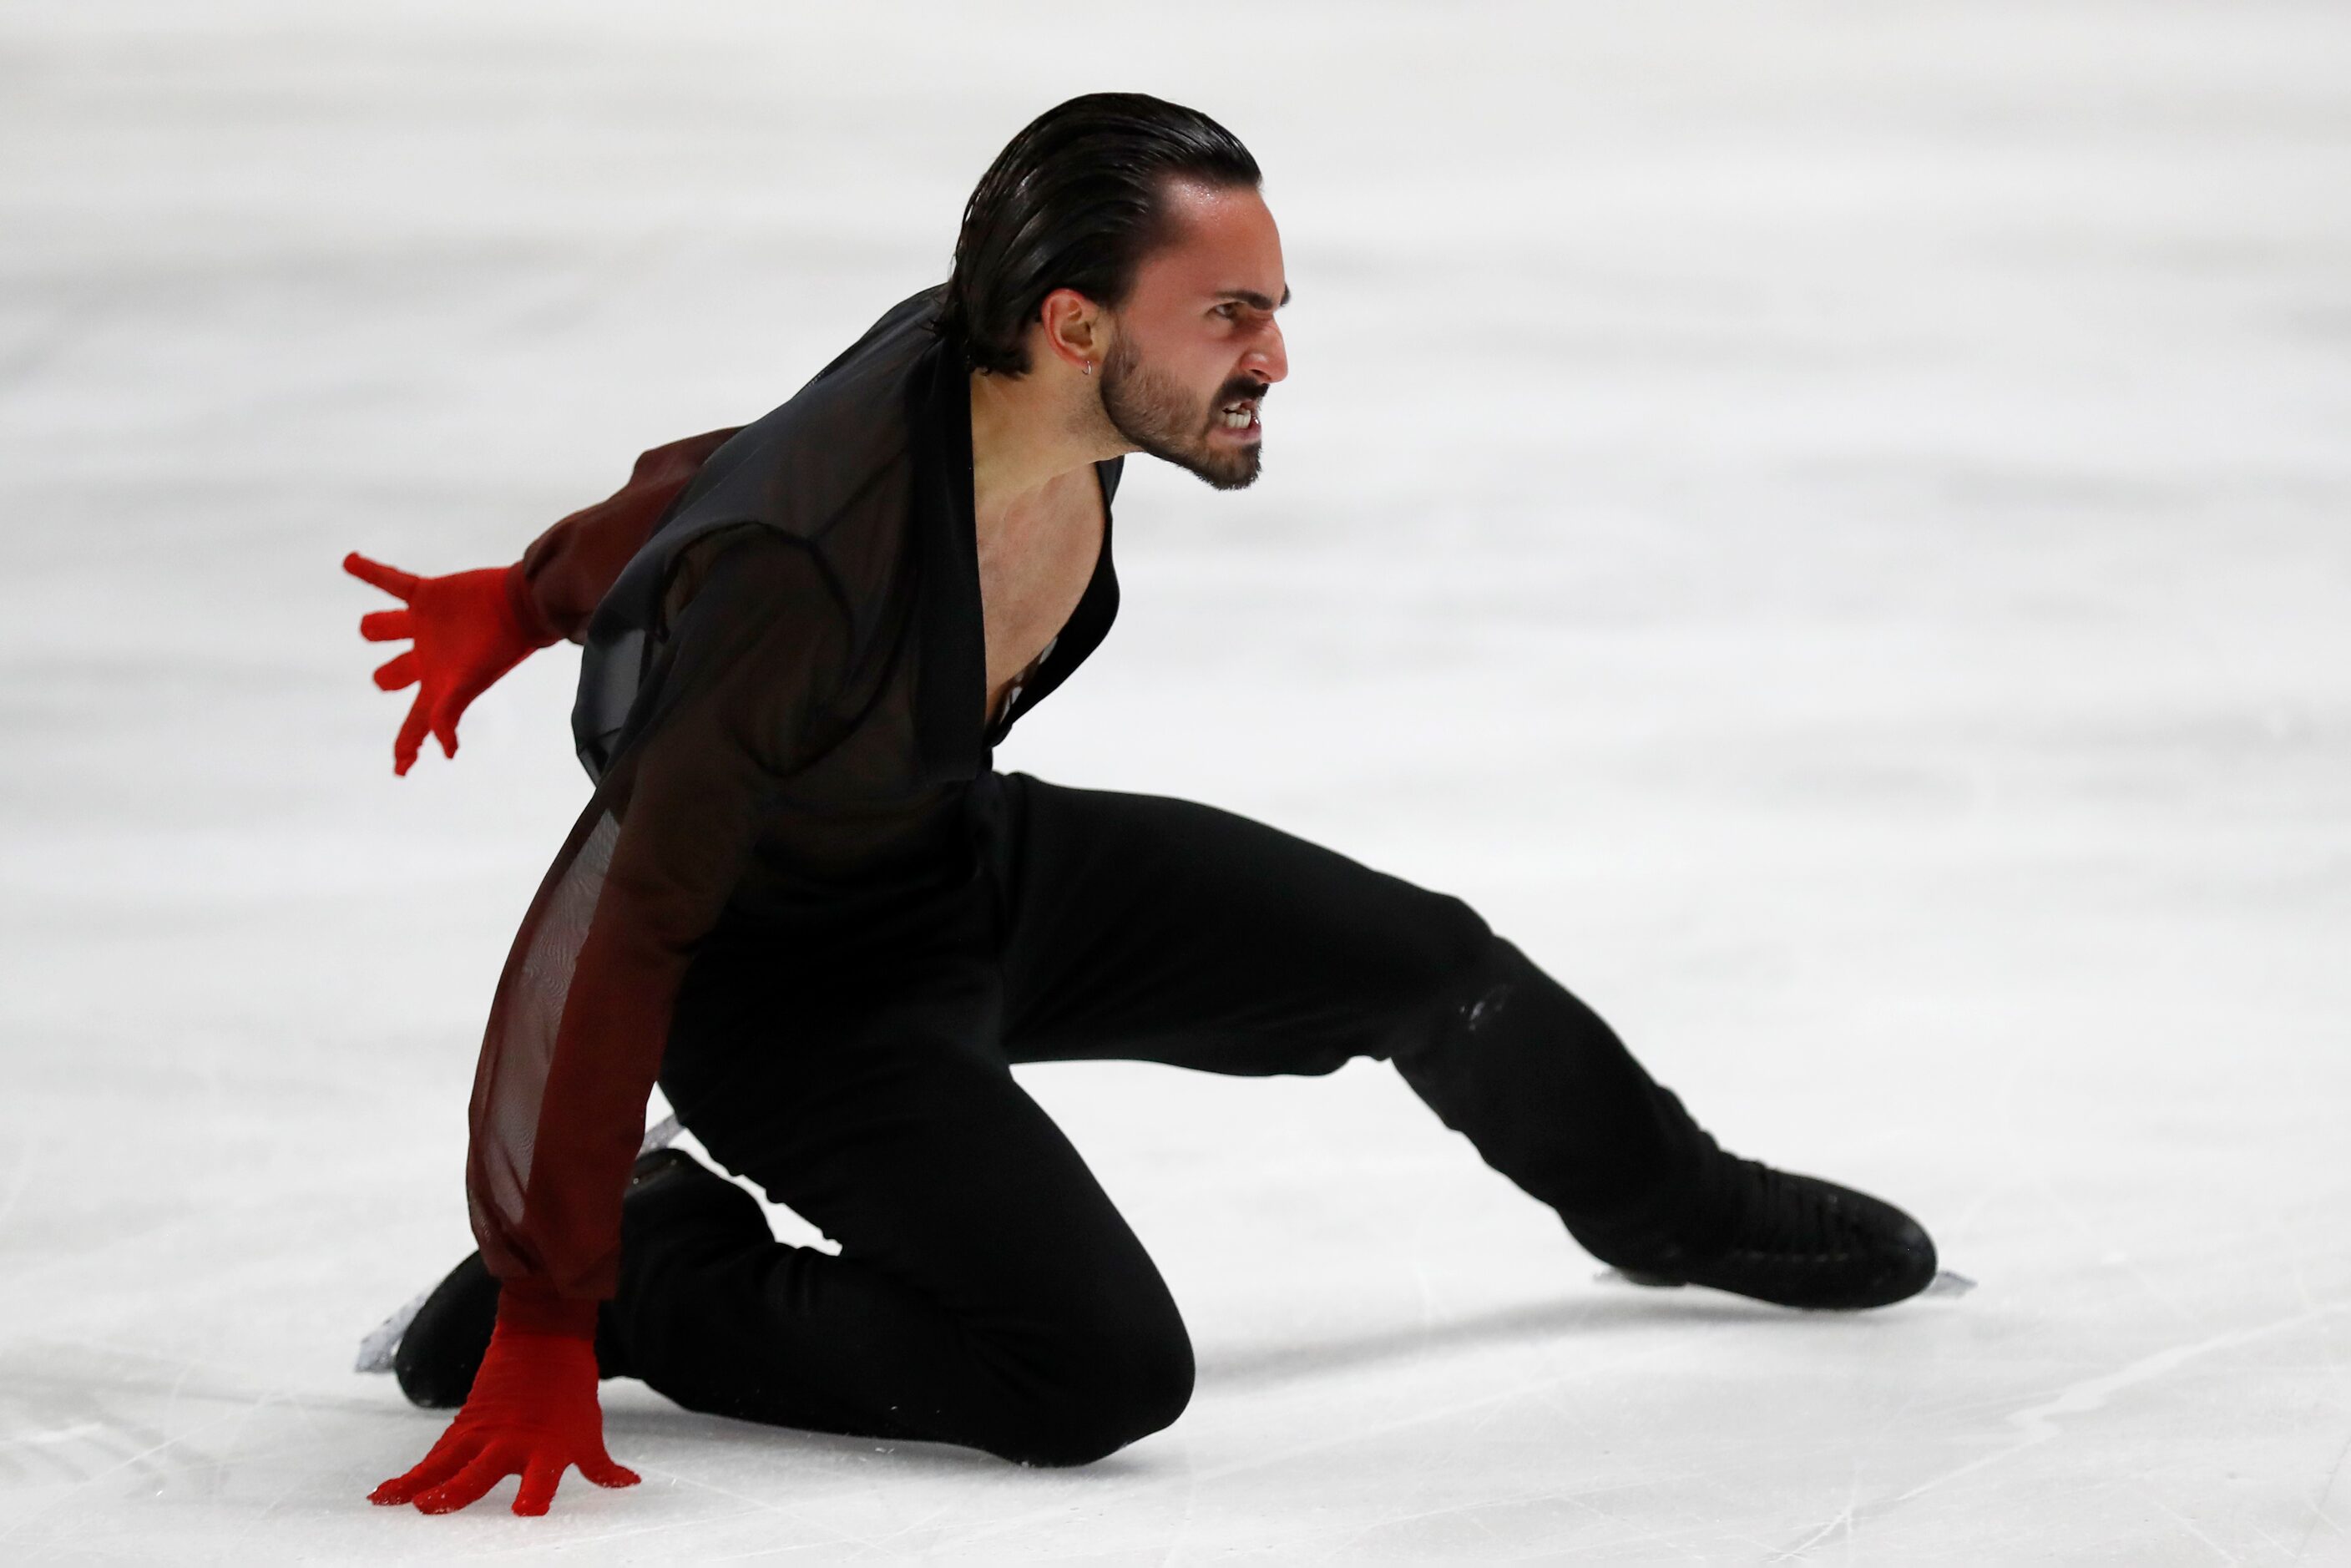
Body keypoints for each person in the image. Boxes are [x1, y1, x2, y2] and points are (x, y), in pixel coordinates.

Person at [350, 93, 1938, 1520]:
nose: (1276, 358)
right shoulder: (803, 581)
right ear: (1078, 326)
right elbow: (611, 932)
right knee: (1095, 1373)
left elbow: (709, 468)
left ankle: (1678, 1205)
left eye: (1275, 309)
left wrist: (530, 587)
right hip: (791, 997)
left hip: (951, 859)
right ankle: (664, 1272)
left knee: (1428, 960)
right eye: (1232, 314)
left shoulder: (994, 375)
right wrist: (553, 1299)